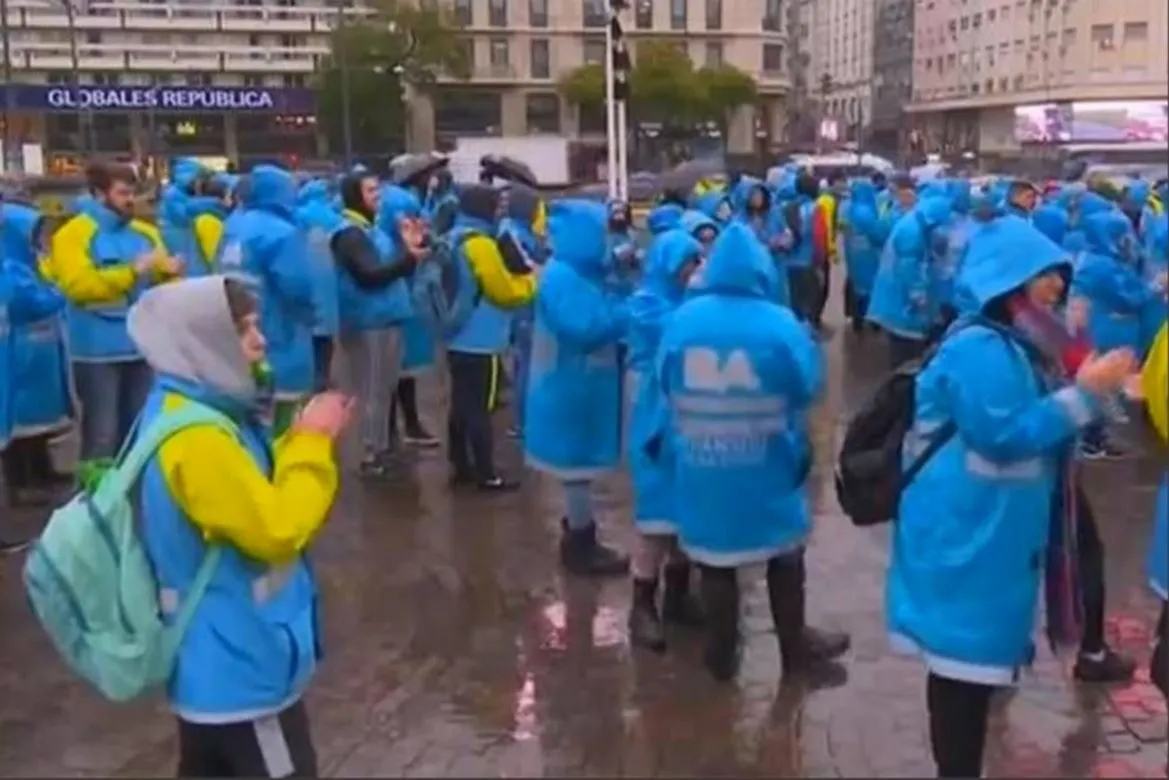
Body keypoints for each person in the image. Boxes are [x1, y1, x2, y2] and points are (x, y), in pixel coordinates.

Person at [886, 216, 1136, 778]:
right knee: (959, 672)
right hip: (966, 536)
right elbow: (1003, 434)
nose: (1057, 285)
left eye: (1059, 275)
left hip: (986, 535)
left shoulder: (1022, 341)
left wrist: (1085, 376)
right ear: (1007, 278)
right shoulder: (981, 349)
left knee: (969, 670)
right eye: (1044, 274)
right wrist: (1085, 395)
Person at [126, 275, 351, 778]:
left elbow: (244, 495)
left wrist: (292, 439)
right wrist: (313, 444)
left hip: (213, 662)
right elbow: (276, 529)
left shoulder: (186, 406)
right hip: (240, 667)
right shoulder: (200, 439)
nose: (260, 340)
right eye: (243, 330)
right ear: (202, 345)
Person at [655, 223, 850, 682]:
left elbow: (664, 380)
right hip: (768, 460)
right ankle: (794, 648)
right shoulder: (780, 324)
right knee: (784, 552)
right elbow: (807, 384)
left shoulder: (683, 320)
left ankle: (722, 652)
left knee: (716, 558)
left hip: (701, 460)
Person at [48, 162, 181, 466]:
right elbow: (78, 286)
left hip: (141, 348)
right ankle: (94, 493)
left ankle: (133, 492)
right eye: (122, 193)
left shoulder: (146, 233)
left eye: (133, 193)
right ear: (98, 194)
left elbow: (161, 283)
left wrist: (170, 274)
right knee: (101, 436)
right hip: (96, 353)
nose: (130, 200)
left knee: (140, 431)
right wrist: (131, 271)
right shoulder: (73, 234)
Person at [524, 199, 630, 574]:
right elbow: (585, 328)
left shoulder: (575, 272)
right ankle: (580, 546)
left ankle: (580, 535)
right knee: (575, 470)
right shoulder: (563, 278)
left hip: (575, 385)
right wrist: (626, 310)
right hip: (568, 389)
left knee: (578, 470)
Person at [626, 229, 705, 651]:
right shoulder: (646, 303)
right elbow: (678, 335)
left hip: (686, 411)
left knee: (685, 506)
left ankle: (677, 595)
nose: (695, 269)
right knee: (656, 513)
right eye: (689, 261)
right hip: (653, 411)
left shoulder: (684, 303)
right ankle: (642, 603)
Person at [445, 183, 536, 491]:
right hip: (481, 337)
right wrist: (530, 283)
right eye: (497, 207)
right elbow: (504, 291)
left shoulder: (454, 236)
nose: (500, 213)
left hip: (457, 334)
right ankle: (486, 473)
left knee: (461, 404)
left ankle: (461, 466)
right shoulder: (481, 245)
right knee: (480, 408)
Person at [334, 173, 425, 476]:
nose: (378, 195)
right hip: (368, 322)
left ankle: (382, 448)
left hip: (386, 318)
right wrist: (408, 260)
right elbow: (369, 275)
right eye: (371, 190)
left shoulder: (371, 230)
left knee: (383, 389)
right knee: (371, 390)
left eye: (378, 189)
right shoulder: (350, 234)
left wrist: (410, 248)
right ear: (355, 196)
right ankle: (370, 454)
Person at [216, 164, 316, 439]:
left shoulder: (232, 226)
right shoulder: (282, 233)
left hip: (237, 342)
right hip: (281, 341)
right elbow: (301, 289)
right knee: (283, 429)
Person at [0, 199, 72, 507]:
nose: (40, 239)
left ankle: (43, 471)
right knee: (21, 427)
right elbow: (29, 302)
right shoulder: (10, 268)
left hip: (37, 355)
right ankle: (23, 482)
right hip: (19, 357)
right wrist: (59, 293)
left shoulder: (28, 265)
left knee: (40, 423)